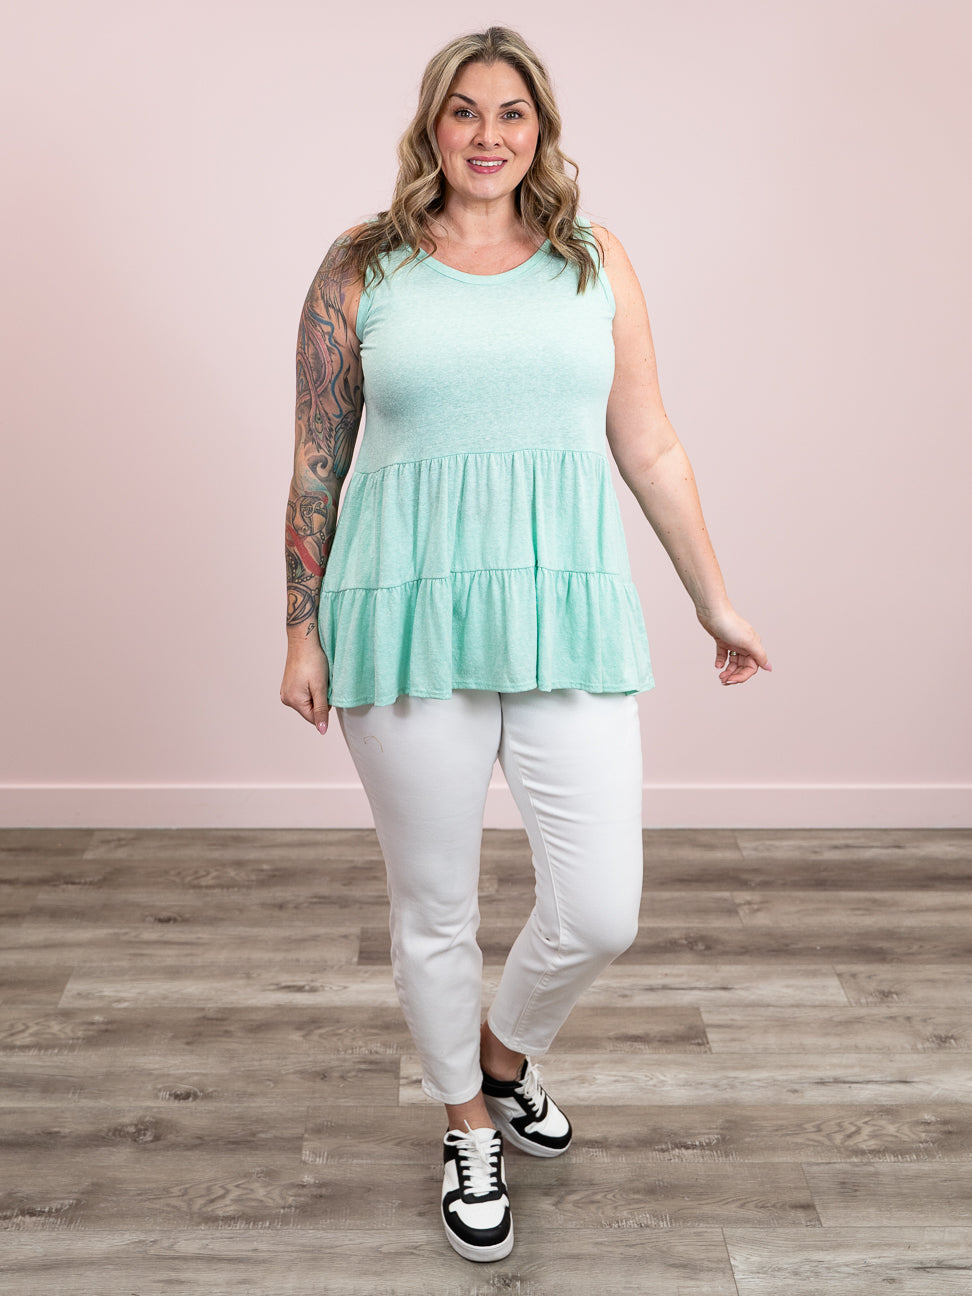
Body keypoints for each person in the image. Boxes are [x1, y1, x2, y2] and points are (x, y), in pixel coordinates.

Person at [281, 25, 771, 1264]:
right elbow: (318, 460)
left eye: (512, 112)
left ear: (540, 129)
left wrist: (714, 599)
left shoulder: (594, 262)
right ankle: (466, 1126)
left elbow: (649, 444)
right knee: (434, 908)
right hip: (401, 611)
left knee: (601, 908)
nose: (488, 135)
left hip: (566, 611)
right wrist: (299, 628)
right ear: (431, 127)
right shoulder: (361, 265)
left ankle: (502, 1058)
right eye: (465, 111)